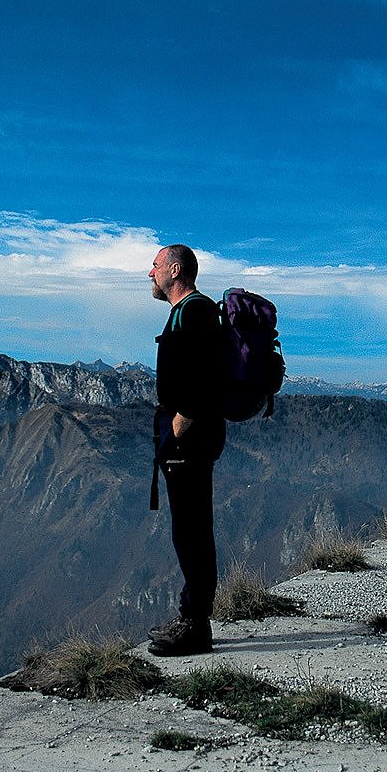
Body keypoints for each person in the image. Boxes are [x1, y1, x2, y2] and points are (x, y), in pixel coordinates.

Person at [146, 244, 226, 656]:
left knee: (192, 530)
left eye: (155, 265)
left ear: (174, 270)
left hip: (190, 440)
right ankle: (191, 616)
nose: (150, 273)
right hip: (186, 438)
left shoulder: (195, 312)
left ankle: (196, 626)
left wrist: (179, 426)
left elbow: (206, 379)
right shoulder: (187, 312)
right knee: (187, 529)